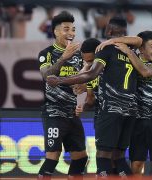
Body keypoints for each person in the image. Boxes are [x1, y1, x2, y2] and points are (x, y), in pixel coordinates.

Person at [46, 16, 139, 177]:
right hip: (130, 111)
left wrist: (61, 80)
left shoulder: (104, 51)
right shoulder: (132, 51)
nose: (87, 63)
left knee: (103, 158)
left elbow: (91, 74)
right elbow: (89, 92)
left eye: (89, 60)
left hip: (110, 110)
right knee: (119, 158)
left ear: (108, 31)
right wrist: (83, 102)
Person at [94, 31, 152, 178]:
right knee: (136, 166)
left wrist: (124, 49)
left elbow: (145, 72)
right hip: (136, 121)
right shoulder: (128, 62)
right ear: (141, 49)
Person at [37, 11, 88, 179]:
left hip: (72, 113)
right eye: (66, 29)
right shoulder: (47, 53)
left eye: (73, 29)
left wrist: (81, 102)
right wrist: (63, 58)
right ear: (56, 31)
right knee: (53, 156)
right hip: (54, 112)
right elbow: (47, 76)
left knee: (81, 158)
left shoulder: (80, 56)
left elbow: (83, 84)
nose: (71, 33)